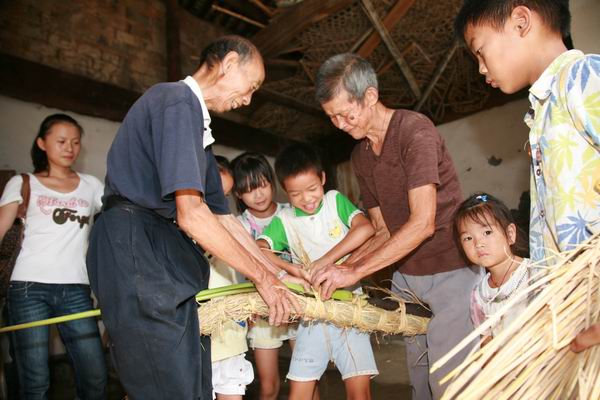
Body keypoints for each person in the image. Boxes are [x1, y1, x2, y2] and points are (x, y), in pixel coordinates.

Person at [86, 35, 301, 400]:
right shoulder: (175, 101)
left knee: (192, 385)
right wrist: (262, 279)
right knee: (166, 386)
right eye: (251, 87)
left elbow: (226, 219)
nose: (248, 99)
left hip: (164, 252)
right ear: (230, 63)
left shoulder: (200, 131)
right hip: (135, 244)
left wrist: (281, 272)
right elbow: (191, 215)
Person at [312, 54, 480, 400]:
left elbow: (422, 224)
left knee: (451, 380)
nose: (341, 124)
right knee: (420, 378)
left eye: (347, 113)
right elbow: (382, 228)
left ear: (370, 96)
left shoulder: (414, 131)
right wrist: (339, 268)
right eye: (332, 118)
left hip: (450, 269)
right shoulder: (361, 156)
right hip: (408, 279)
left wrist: (353, 273)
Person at [454, 0, 600, 265]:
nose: (481, 68)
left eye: (480, 51)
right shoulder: (542, 113)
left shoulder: (582, 76)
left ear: (520, 22)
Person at [258, 144, 378, 400]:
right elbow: (259, 250)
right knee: (300, 391)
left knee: (360, 393)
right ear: (285, 191)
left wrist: (326, 260)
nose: (307, 198)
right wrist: (290, 269)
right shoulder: (285, 220)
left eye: (312, 189)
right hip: (311, 315)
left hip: (350, 311)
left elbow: (365, 229)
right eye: (296, 193)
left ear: (323, 178)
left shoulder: (335, 201)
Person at [0, 114, 107, 399]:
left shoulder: (92, 185)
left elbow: (117, 221)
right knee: (35, 383)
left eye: (75, 142)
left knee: (94, 376)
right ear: (42, 143)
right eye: (61, 141)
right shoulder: (23, 183)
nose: (69, 148)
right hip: (27, 288)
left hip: (76, 288)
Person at [230, 152, 298, 400]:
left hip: (301, 305)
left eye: (262, 185)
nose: (258, 195)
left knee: (307, 381)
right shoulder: (238, 225)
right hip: (261, 310)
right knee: (269, 386)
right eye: (248, 190)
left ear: (272, 182)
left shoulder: (291, 212)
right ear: (238, 194)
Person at [455, 193, 531, 345]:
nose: (478, 243)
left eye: (487, 232)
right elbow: (486, 338)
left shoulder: (534, 273)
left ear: (510, 234)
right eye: (468, 238)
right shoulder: (480, 295)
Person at [208, 155, 254, 400]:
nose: (218, 201)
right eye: (211, 192)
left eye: (224, 196)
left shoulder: (232, 225)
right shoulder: (176, 226)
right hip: (199, 333)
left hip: (229, 332)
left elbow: (253, 263)